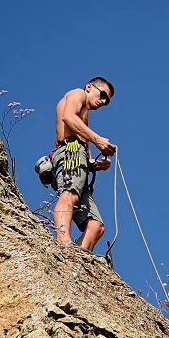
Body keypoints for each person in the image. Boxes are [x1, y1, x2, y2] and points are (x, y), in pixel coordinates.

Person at [51, 77, 116, 252]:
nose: (103, 101)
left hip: (80, 159)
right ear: (89, 87)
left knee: (96, 226)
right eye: (103, 95)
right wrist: (98, 140)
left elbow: (81, 136)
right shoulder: (78, 93)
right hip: (69, 152)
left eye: (107, 101)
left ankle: (78, 258)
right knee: (70, 194)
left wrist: (93, 164)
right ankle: (63, 242)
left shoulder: (85, 114)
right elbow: (68, 117)